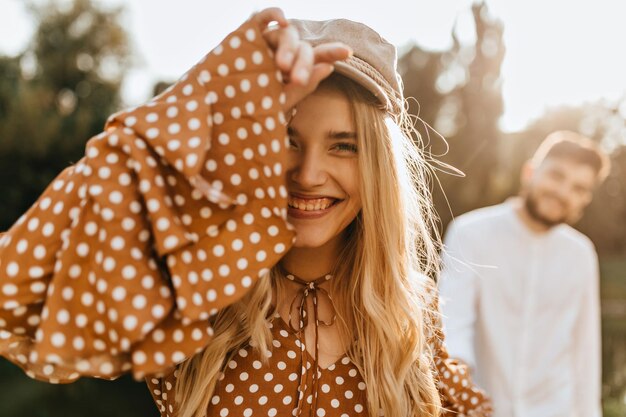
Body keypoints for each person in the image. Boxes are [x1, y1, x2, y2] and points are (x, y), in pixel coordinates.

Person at [0, 8, 491, 417]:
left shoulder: (410, 306)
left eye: (343, 146)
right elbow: (14, 305)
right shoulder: (189, 286)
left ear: (378, 168)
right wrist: (188, 115)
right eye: (284, 140)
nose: (307, 173)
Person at [439, 131, 610, 417]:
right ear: (530, 172)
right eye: (557, 176)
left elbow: (585, 354)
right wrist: (459, 393)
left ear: (585, 200)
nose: (564, 193)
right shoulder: (470, 233)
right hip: (480, 408)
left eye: (579, 188)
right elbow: (452, 324)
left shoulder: (581, 254)